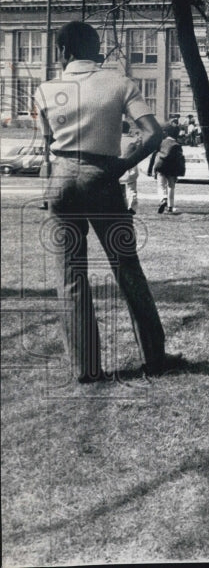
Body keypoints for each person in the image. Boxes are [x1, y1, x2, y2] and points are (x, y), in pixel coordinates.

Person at [33, 20, 183, 382]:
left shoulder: (45, 89)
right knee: (126, 268)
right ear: (95, 49)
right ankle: (154, 358)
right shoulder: (119, 83)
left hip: (62, 180)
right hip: (102, 176)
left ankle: (85, 367)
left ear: (63, 52)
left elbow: (46, 147)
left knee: (70, 276)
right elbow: (153, 134)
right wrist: (122, 165)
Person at [148, 130, 185, 214]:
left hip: (161, 166)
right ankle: (170, 206)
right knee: (171, 186)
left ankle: (163, 199)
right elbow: (180, 160)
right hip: (172, 168)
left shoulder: (161, 142)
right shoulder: (177, 145)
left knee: (161, 185)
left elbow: (154, 155)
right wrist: (179, 173)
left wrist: (151, 169)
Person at [119, 121, 140, 214]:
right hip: (131, 166)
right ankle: (131, 206)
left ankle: (121, 206)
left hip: (118, 165)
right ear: (128, 129)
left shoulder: (115, 140)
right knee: (131, 188)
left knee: (120, 189)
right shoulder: (134, 140)